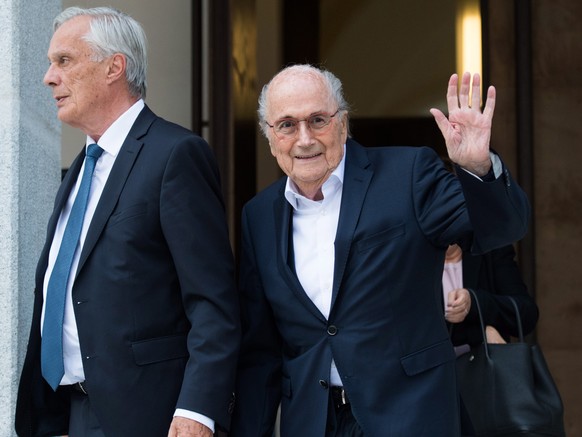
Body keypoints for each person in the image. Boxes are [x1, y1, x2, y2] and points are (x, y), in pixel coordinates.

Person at [230, 64, 530, 436]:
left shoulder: (409, 174)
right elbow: (260, 351)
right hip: (316, 423)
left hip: (410, 415)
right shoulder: (258, 216)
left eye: (318, 120)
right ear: (271, 138)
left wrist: (477, 168)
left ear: (343, 123)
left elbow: (500, 230)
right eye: (288, 125)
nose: (304, 138)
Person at [15, 7, 239, 437]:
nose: (48, 77)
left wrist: (197, 410)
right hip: (69, 411)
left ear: (113, 67)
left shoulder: (175, 155)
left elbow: (212, 302)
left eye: (64, 60)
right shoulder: (80, 168)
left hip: (149, 416)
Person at [443, 243, 539, 347]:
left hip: (486, 362)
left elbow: (526, 315)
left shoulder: (491, 249)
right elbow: (425, 333)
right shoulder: (422, 263)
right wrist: (482, 333)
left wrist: (474, 303)